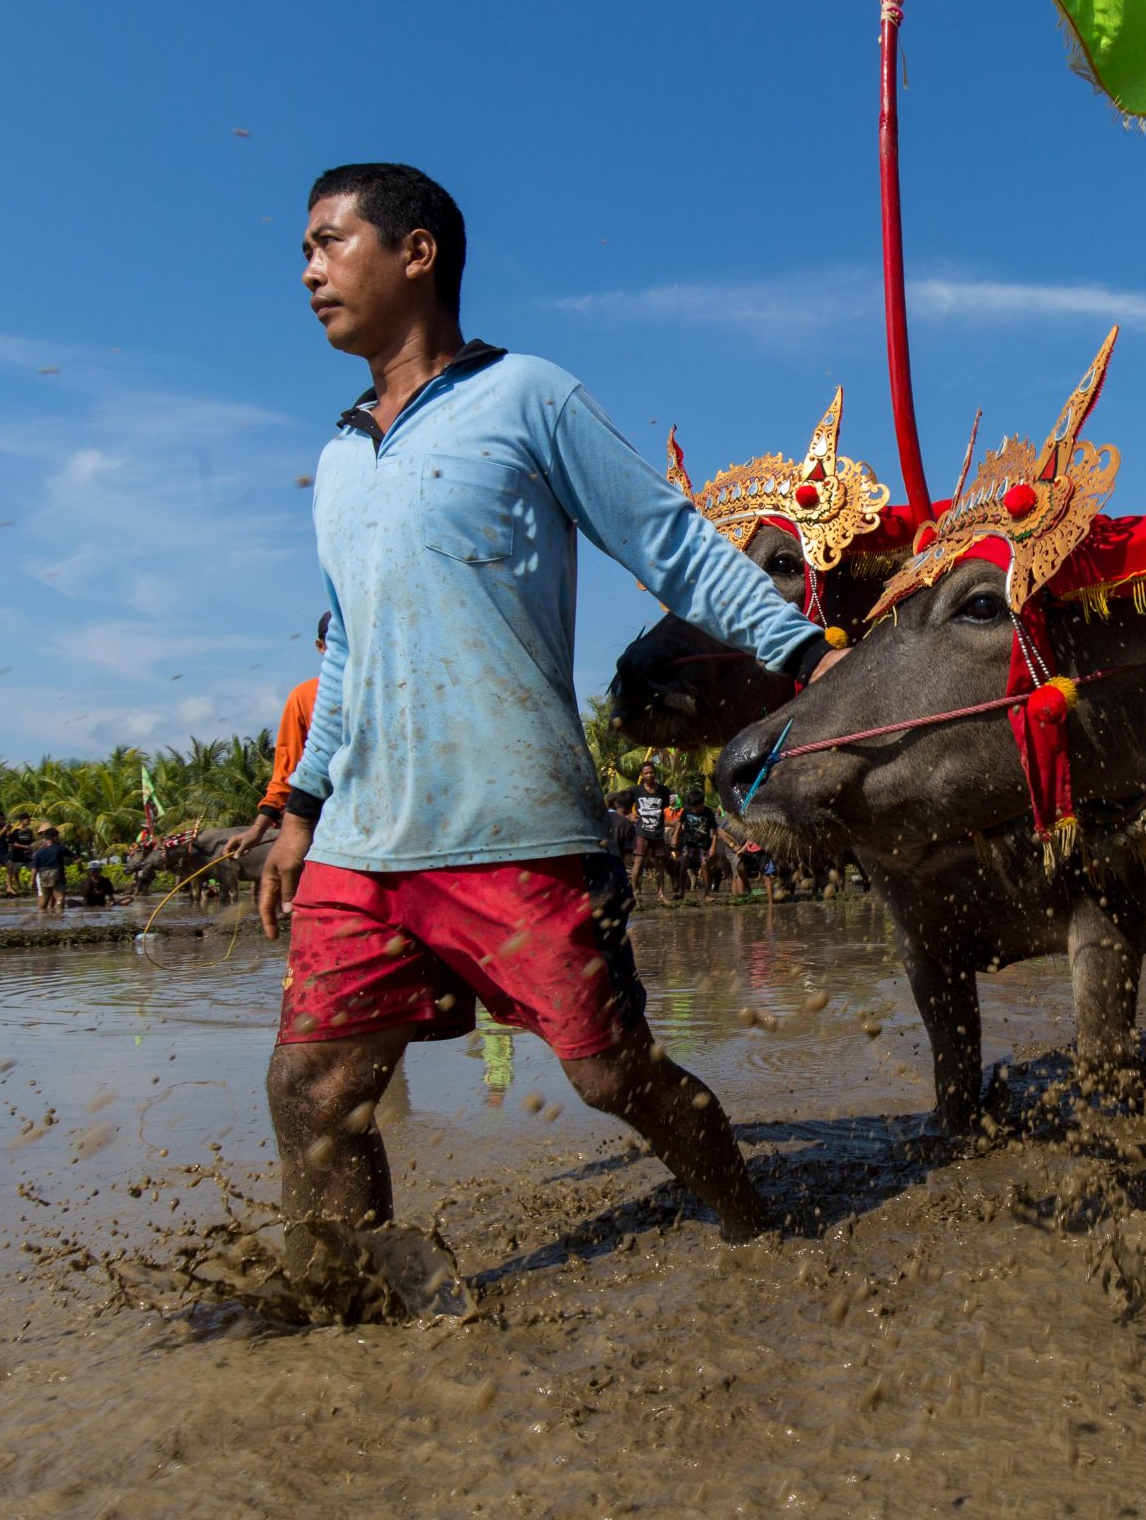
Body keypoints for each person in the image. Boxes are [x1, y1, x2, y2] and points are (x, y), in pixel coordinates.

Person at [257, 161, 841, 1244]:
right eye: (305, 251)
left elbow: (667, 547)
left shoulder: (528, 397)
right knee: (309, 1090)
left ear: (416, 251)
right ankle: (339, 1309)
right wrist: (299, 811)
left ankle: (760, 1233)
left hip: (511, 825)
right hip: (361, 843)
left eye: (329, 243)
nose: (307, 273)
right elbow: (347, 650)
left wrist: (805, 656)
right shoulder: (338, 455)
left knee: (611, 1078)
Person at [224, 615, 329, 860]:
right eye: (335, 640)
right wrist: (259, 828)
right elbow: (287, 770)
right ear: (320, 646)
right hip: (321, 827)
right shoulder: (304, 697)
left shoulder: (388, 691)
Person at [615, 763, 677, 904]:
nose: (649, 775)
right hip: (641, 832)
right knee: (638, 862)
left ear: (655, 773)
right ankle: (634, 894)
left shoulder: (663, 791)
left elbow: (666, 808)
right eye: (646, 773)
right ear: (642, 776)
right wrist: (629, 816)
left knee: (660, 863)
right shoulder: (635, 791)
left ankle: (660, 894)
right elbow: (621, 802)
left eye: (651, 772)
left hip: (657, 832)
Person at [676, 788, 718, 896]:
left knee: (705, 863)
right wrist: (675, 837)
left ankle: (707, 893)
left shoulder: (708, 812)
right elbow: (680, 823)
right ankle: (681, 890)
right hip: (689, 843)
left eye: (697, 806)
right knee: (684, 859)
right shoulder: (686, 810)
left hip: (704, 844)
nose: (695, 809)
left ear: (702, 803)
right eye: (693, 807)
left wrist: (713, 846)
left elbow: (714, 831)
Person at [30, 825, 69, 915]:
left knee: (44, 897)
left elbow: (34, 868)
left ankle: (41, 915)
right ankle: (59, 915)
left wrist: (32, 881)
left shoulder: (39, 851)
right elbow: (74, 856)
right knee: (59, 896)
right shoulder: (59, 848)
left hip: (43, 875)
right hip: (56, 874)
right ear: (55, 837)